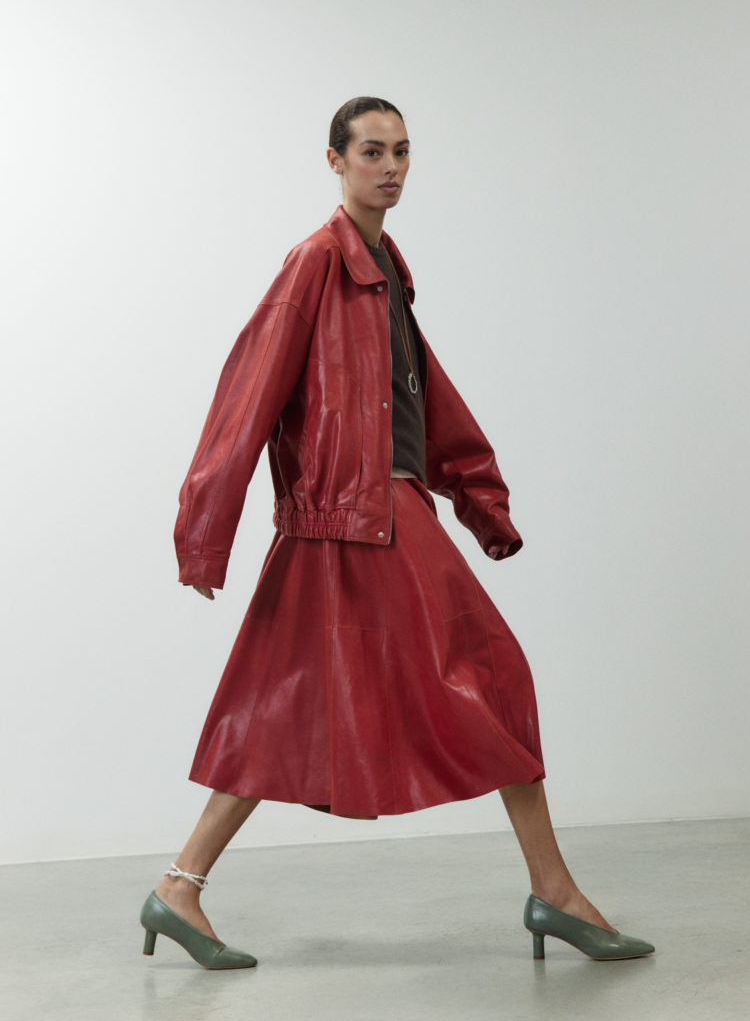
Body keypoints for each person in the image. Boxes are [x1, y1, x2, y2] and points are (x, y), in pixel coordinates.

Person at [139, 96, 654, 970]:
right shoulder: (317, 261)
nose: (390, 167)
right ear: (334, 161)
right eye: (372, 151)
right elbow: (249, 392)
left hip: (376, 512)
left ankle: (177, 889)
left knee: (284, 704)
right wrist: (204, 530)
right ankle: (554, 894)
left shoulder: (383, 272)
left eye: (402, 152)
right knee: (489, 672)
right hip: (351, 518)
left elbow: (424, 402)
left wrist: (480, 499)